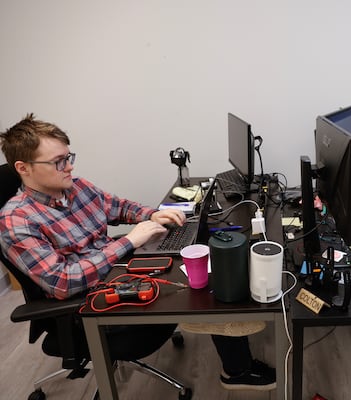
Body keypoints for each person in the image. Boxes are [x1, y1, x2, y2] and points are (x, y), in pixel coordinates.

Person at [0, 113, 275, 391]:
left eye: (70, 157)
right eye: (59, 161)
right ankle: (237, 368)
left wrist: (155, 215)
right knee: (203, 287)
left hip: (118, 271)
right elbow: (63, 282)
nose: (69, 167)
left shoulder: (74, 187)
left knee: (199, 256)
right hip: (91, 304)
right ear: (23, 168)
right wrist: (129, 241)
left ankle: (228, 346)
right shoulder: (17, 222)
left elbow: (118, 207)